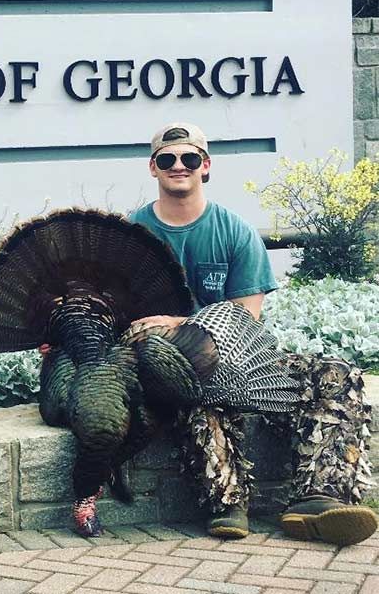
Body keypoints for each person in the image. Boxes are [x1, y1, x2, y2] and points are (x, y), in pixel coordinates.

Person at [127, 122, 377, 545]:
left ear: (205, 166)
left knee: (339, 375)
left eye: (189, 158)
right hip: (170, 369)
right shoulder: (131, 235)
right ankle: (228, 503)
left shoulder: (234, 231)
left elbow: (247, 315)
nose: (178, 166)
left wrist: (180, 322)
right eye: (167, 159)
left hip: (242, 358)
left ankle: (319, 497)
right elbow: (123, 321)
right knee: (197, 390)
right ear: (153, 168)